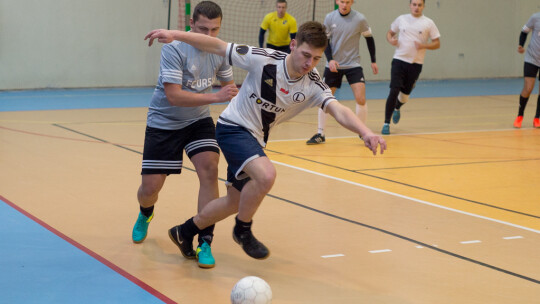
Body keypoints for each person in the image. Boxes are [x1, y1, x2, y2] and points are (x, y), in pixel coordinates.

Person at [145, 21, 386, 263]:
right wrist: (174, 35)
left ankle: (184, 231)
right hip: (233, 128)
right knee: (267, 175)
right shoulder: (263, 59)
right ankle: (243, 230)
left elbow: (338, 109)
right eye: (305, 55)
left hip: (256, 138)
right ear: (293, 45)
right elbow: (217, 46)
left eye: (315, 59)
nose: (308, 63)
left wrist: (365, 132)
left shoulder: (312, 83)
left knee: (235, 201)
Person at [132, 1, 238, 269]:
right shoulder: (174, 49)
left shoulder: (219, 51)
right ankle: (146, 213)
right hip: (164, 122)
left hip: (198, 121)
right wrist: (216, 96)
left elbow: (230, 88)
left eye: (215, 30)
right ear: (191, 25)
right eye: (203, 29)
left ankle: (205, 239)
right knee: (149, 189)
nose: (209, 36)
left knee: (210, 169)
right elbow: (174, 96)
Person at [306, 0, 378, 145]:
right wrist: (330, 60)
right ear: (337, 1)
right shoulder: (330, 18)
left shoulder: (360, 19)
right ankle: (320, 133)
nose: (344, 5)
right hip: (334, 65)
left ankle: (362, 133)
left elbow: (369, 38)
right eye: (342, 1)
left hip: (353, 64)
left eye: (347, 2)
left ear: (352, 2)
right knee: (324, 98)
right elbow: (325, 41)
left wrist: (373, 60)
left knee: (361, 98)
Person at [381, 0, 440, 135]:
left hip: (415, 64)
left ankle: (398, 107)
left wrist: (424, 46)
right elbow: (389, 33)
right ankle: (386, 123)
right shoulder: (401, 19)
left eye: (419, 5)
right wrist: (391, 40)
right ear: (410, 5)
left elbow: (437, 43)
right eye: (414, 4)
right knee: (394, 90)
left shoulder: (428, 23)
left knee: (405, 96)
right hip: (398, 61)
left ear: (423, 6)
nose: (416, 7)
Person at [514, 11, 540, 128]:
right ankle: (520, 116)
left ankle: (537, 118)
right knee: (528, 88)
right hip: (532, 58)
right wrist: (521, 45)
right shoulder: (535, 18)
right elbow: (524, 32)